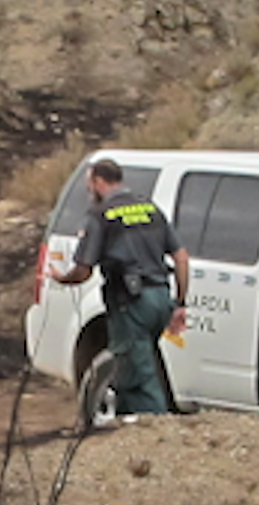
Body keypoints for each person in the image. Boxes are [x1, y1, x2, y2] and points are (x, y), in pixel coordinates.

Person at [49, 159, 191, 418]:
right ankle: (123, 431)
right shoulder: (151, 209)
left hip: (131, 303)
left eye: (89, 184)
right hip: (160, 297)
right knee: (129, 368)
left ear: (98, 182)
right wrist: (180, 303)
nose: (88, 191)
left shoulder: (100, 215)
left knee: (141, 378)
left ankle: (154, 433)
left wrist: (62, 278)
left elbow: (83, 270)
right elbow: (181, 257)